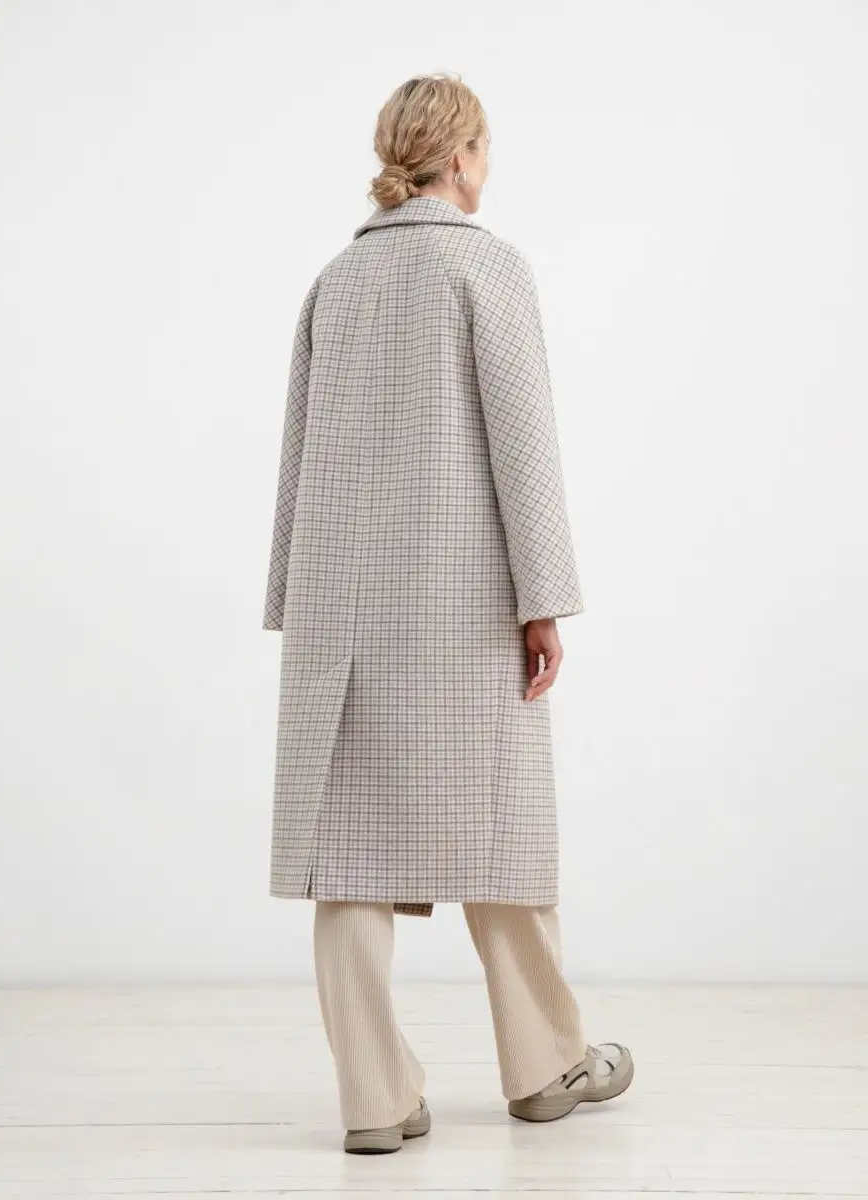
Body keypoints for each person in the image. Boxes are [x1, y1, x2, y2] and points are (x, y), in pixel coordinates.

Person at [262, 72, 634, 1155]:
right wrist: (543, 600)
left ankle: (373, 1100)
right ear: (461, 154)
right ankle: (547, 1065)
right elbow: (525, 444)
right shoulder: (486, 266)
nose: (488, 165)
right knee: (503, 831)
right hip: (463, 605)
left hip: (342, 611)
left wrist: (290, 594)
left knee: (349, 859)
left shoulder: (335, 280)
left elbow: (297, 450)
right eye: (485, 148)